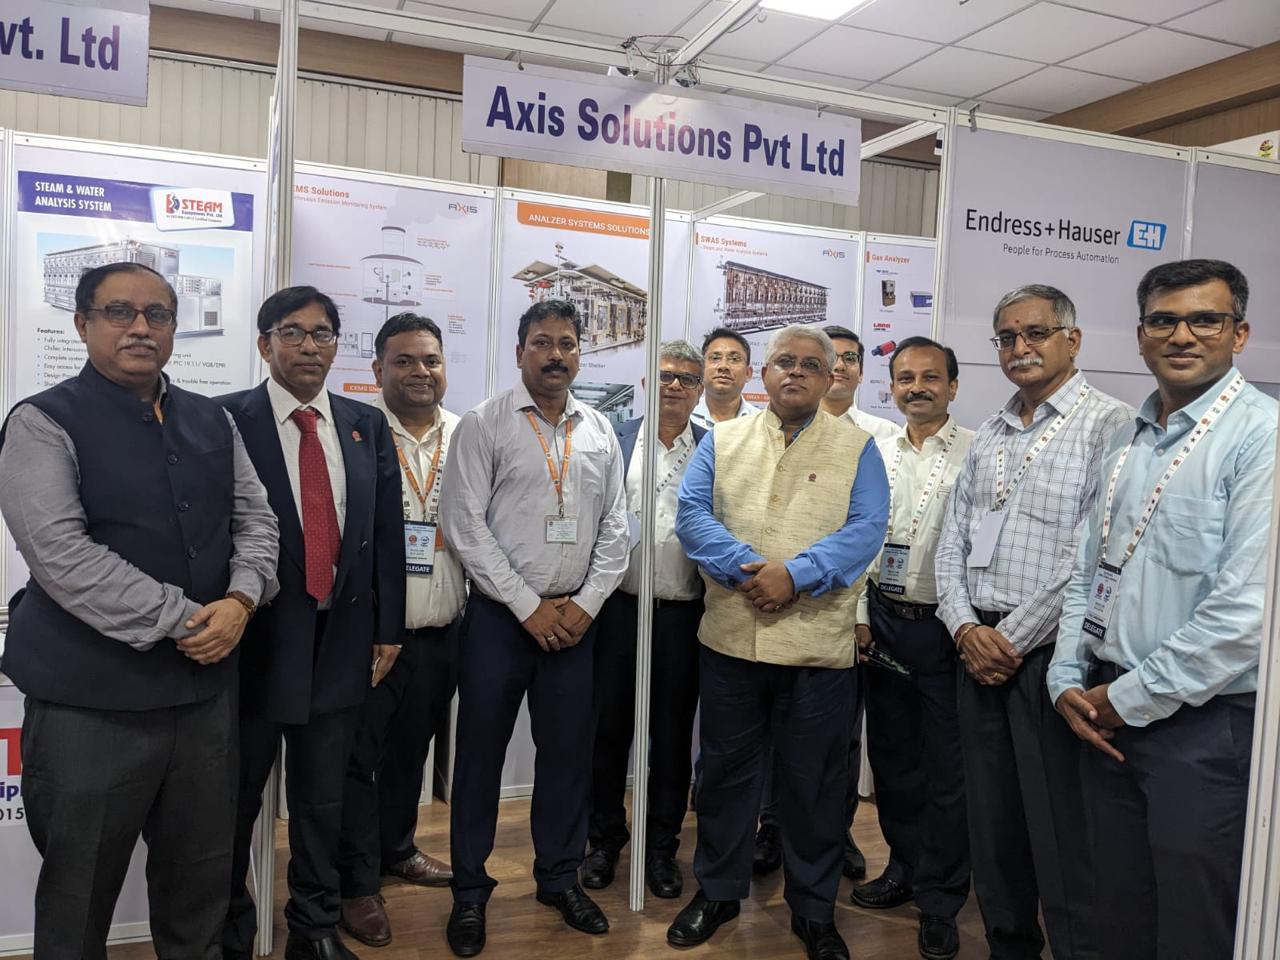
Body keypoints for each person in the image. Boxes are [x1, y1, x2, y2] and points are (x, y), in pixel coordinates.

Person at [0, 262, 279, 959]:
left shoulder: (211, 419)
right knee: (78, 898)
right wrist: (192, 621)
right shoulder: (41, 421)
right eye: (119, 312)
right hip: (90, 708)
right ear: (82, 324)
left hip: (204, 702)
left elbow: (257, 520)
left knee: (200, 889)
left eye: (157, 315)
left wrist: (243, 599)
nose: (140, 328)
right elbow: (63, 556)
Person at [1049, 259, 1276, 960]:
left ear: (1239, 333)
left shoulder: (1263, 437)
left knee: (1192, 925)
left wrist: (1126, 699)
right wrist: (1064, 676)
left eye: (1205, 320)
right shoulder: (1128, 436)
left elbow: (1244, 616)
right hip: (1107, 715)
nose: (1182, 336)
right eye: (1163, 321)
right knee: (1117, 911)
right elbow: (1087, 571)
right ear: (1141, 334)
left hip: (1203, 728)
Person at [671, 324, 889, 960]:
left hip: (817, 650)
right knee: (724, 776)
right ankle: (718, 892)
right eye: (784, 362)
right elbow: (692, 516)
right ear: (763, 375)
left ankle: (813, 909)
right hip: (731, 642)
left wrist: (794, 576)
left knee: (814, 785)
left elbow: (867, 527)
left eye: (810, 365)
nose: (795, 372)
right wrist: (749, 570)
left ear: (829, 377)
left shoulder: (858, 448)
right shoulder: (723, 441)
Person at [935, 283, 1131, 960]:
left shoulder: (1110, 425)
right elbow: (952, 540)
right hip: (975, 651)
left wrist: (1009, 641)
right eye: (1007, 337)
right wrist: (965, 629)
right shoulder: (990, 431)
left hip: (1053, 657)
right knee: (992, 823)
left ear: (1072, 339)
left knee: (1060, 826)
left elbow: (1092, 555)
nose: (1020, 348)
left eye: (1035, 333)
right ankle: (1009, 947)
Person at [439, 299, 628, 957]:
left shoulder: (599, 429)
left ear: (580, 353)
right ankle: (469, 891)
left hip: (575, 624)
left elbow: (617, 525)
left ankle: (558, 878)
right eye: (542, 343)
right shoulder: (484, 424)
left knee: (568, 758)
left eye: (567, 343)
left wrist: (588, 603)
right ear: (520, 351)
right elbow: (465, 525)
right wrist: (526, 605)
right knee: (480, 758)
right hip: (501, 620)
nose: (556, 355)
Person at [220, 286, 405, 960]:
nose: (308, 346)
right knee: (233, 802)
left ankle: (315, 927)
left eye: (322, 333)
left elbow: (386, 532)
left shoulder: (364, 423)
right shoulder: (223, 419)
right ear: (264, 343)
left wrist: (389, 628)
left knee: (323, 801)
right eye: (291, 332)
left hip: (342, 643)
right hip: (256, 643)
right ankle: (229, 931)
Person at [337, 314, 465, 945]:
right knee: (358, 758)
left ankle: (398, 848)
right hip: (370, 636)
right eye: (405, 360)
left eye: (431, 360)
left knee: (411, 751)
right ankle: (356, 882)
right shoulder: (355, 432)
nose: (420, 372)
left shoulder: (466, 435)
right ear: (378, 369)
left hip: (442, 629)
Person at [753, 323, 893, 881]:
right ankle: (771, 828)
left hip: (842, 613)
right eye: (832, 359)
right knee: (769, 737)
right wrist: (769, 577)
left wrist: (856, 612)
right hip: (762, 606)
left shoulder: (876, 437)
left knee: (836, 744)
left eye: (850, 359)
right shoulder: (754, 434)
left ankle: (836, 833)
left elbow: (872, 530)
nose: (840, 369)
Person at [849, 337, 973, 960]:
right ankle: (902, 866)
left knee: (947, 769)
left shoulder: (978, 451)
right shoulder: (874, 452)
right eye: (905, 378)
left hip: (946, 628)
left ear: (953, 386)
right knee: (894, 759)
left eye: (930, 377)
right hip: (884, 621)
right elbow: (856, 536)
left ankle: (941, 899)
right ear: (891, 386)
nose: (917, 387)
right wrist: (859, 615)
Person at [582, 340, 708, 900]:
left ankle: (660, 849)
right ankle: (605, 840)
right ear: (644, 383)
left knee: (672, 740)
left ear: (699, 391)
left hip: (682, 617)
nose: (674, 386)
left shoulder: (712, 449)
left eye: (686, 378)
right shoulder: (613, 439)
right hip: (617, 611)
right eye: (665, 375)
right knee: (607, 732)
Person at [820, 325, 898, 442]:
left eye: (850, 358)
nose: (839, 366)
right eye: (830, 358)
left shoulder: (888, 433)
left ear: (861, 373)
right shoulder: (792, 429)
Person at [689, 327, 760, 429]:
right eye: (715, 358)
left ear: (748, 373)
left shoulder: (760, 423)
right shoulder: (684, 417)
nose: (723, 366)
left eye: (734, 359)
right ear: (701, 369)